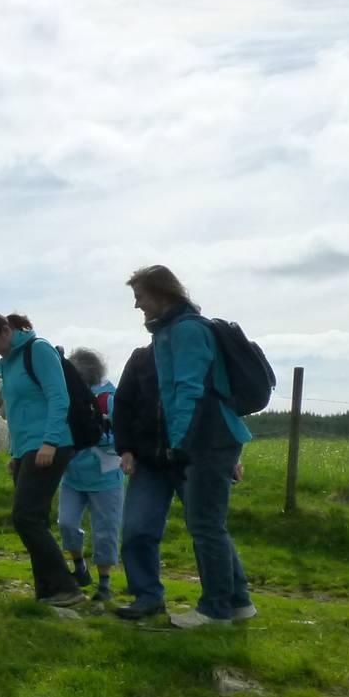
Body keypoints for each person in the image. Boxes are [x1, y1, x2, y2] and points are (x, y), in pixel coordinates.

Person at [127, 265, 254, 627]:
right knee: (209, 524)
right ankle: (239, 603)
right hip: (209, 435)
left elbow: (188, 389)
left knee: (206, 526)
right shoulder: (172, 330)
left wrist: (178, 441)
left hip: (208, 438)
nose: (137, 305)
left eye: (140, 297)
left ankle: (215, 610)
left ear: (161, 293)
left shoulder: (186, 330)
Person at [0, 312, 85, 609]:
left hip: (49, 444)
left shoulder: (39, 350)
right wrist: (15, 454)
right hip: (27, 449)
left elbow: (59, 398)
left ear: (6, 331)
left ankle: (66, 586)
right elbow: (19, 412)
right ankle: (47, 591)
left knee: (25, 517)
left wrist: (50, 442)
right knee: (35, 519)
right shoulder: (9, 362)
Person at [112, 343, 173, 619]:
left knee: (207, 531)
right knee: (136, 529)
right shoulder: (141, 358)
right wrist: (125, 448)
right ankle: (148, 597)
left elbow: (221, 407)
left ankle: (234, 597)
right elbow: (123, 405)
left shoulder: (200, 350)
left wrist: (229, 455)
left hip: (194, 457)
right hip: (149, 460)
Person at [58, 348, 122, 604]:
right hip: (73, 474)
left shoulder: (110, 399)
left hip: (106, 475)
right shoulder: (66, 395)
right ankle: (80, 568)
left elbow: (123, 433)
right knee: (66, 523)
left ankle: (104, 583)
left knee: (105, 531)